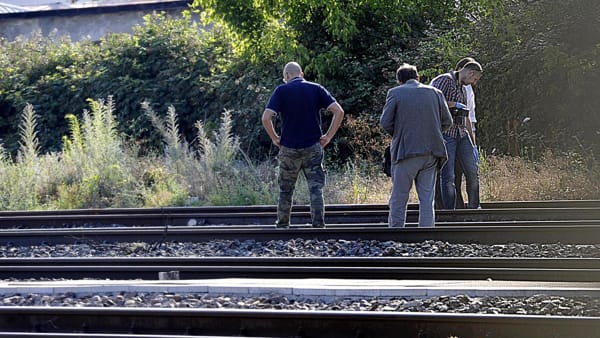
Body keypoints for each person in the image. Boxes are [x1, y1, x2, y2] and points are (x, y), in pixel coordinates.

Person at [262, 61, 344, 229]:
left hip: (288, 148)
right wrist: (328, 136)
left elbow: (266, 117)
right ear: (302, 74)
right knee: (316, 188)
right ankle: (318, 223)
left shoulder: (281, 90)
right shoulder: (316, 88)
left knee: (286, 189)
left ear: (286, 76)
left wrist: (275, 137)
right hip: (312, 147)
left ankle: (283, 223)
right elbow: (339, 111)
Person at [380, 63, 452, 228]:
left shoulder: (395, 93)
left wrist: (400, 134)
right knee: (427, 198)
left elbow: (385, 122)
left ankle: (396, 233)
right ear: (418, 77)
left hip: (405, 152)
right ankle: (426, 234)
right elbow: (448, 121)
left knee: (400, 196)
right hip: (432, 152)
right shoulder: (436, 93)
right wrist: (432, 133)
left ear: (399, 80)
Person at [430, 60, 483, 210]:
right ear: (470, 73)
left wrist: (473, 144)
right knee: (448, 176)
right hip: (447, 134)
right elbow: (432, 102)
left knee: (473, 172)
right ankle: (449, 212)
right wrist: (453, 105)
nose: (474, 82)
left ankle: (474, 208)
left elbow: (465, 117)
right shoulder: (444, 80)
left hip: (461, 133)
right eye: (475, 79)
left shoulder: (463, 88)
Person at [453, 57, 478, 209]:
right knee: (469, 173)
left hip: (461, 133)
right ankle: (473, 206)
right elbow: (467, 117)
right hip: (463, 133)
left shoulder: (464, 87)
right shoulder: (465, 88)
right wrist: (472, 141)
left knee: (456, 174)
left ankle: (458, 206)